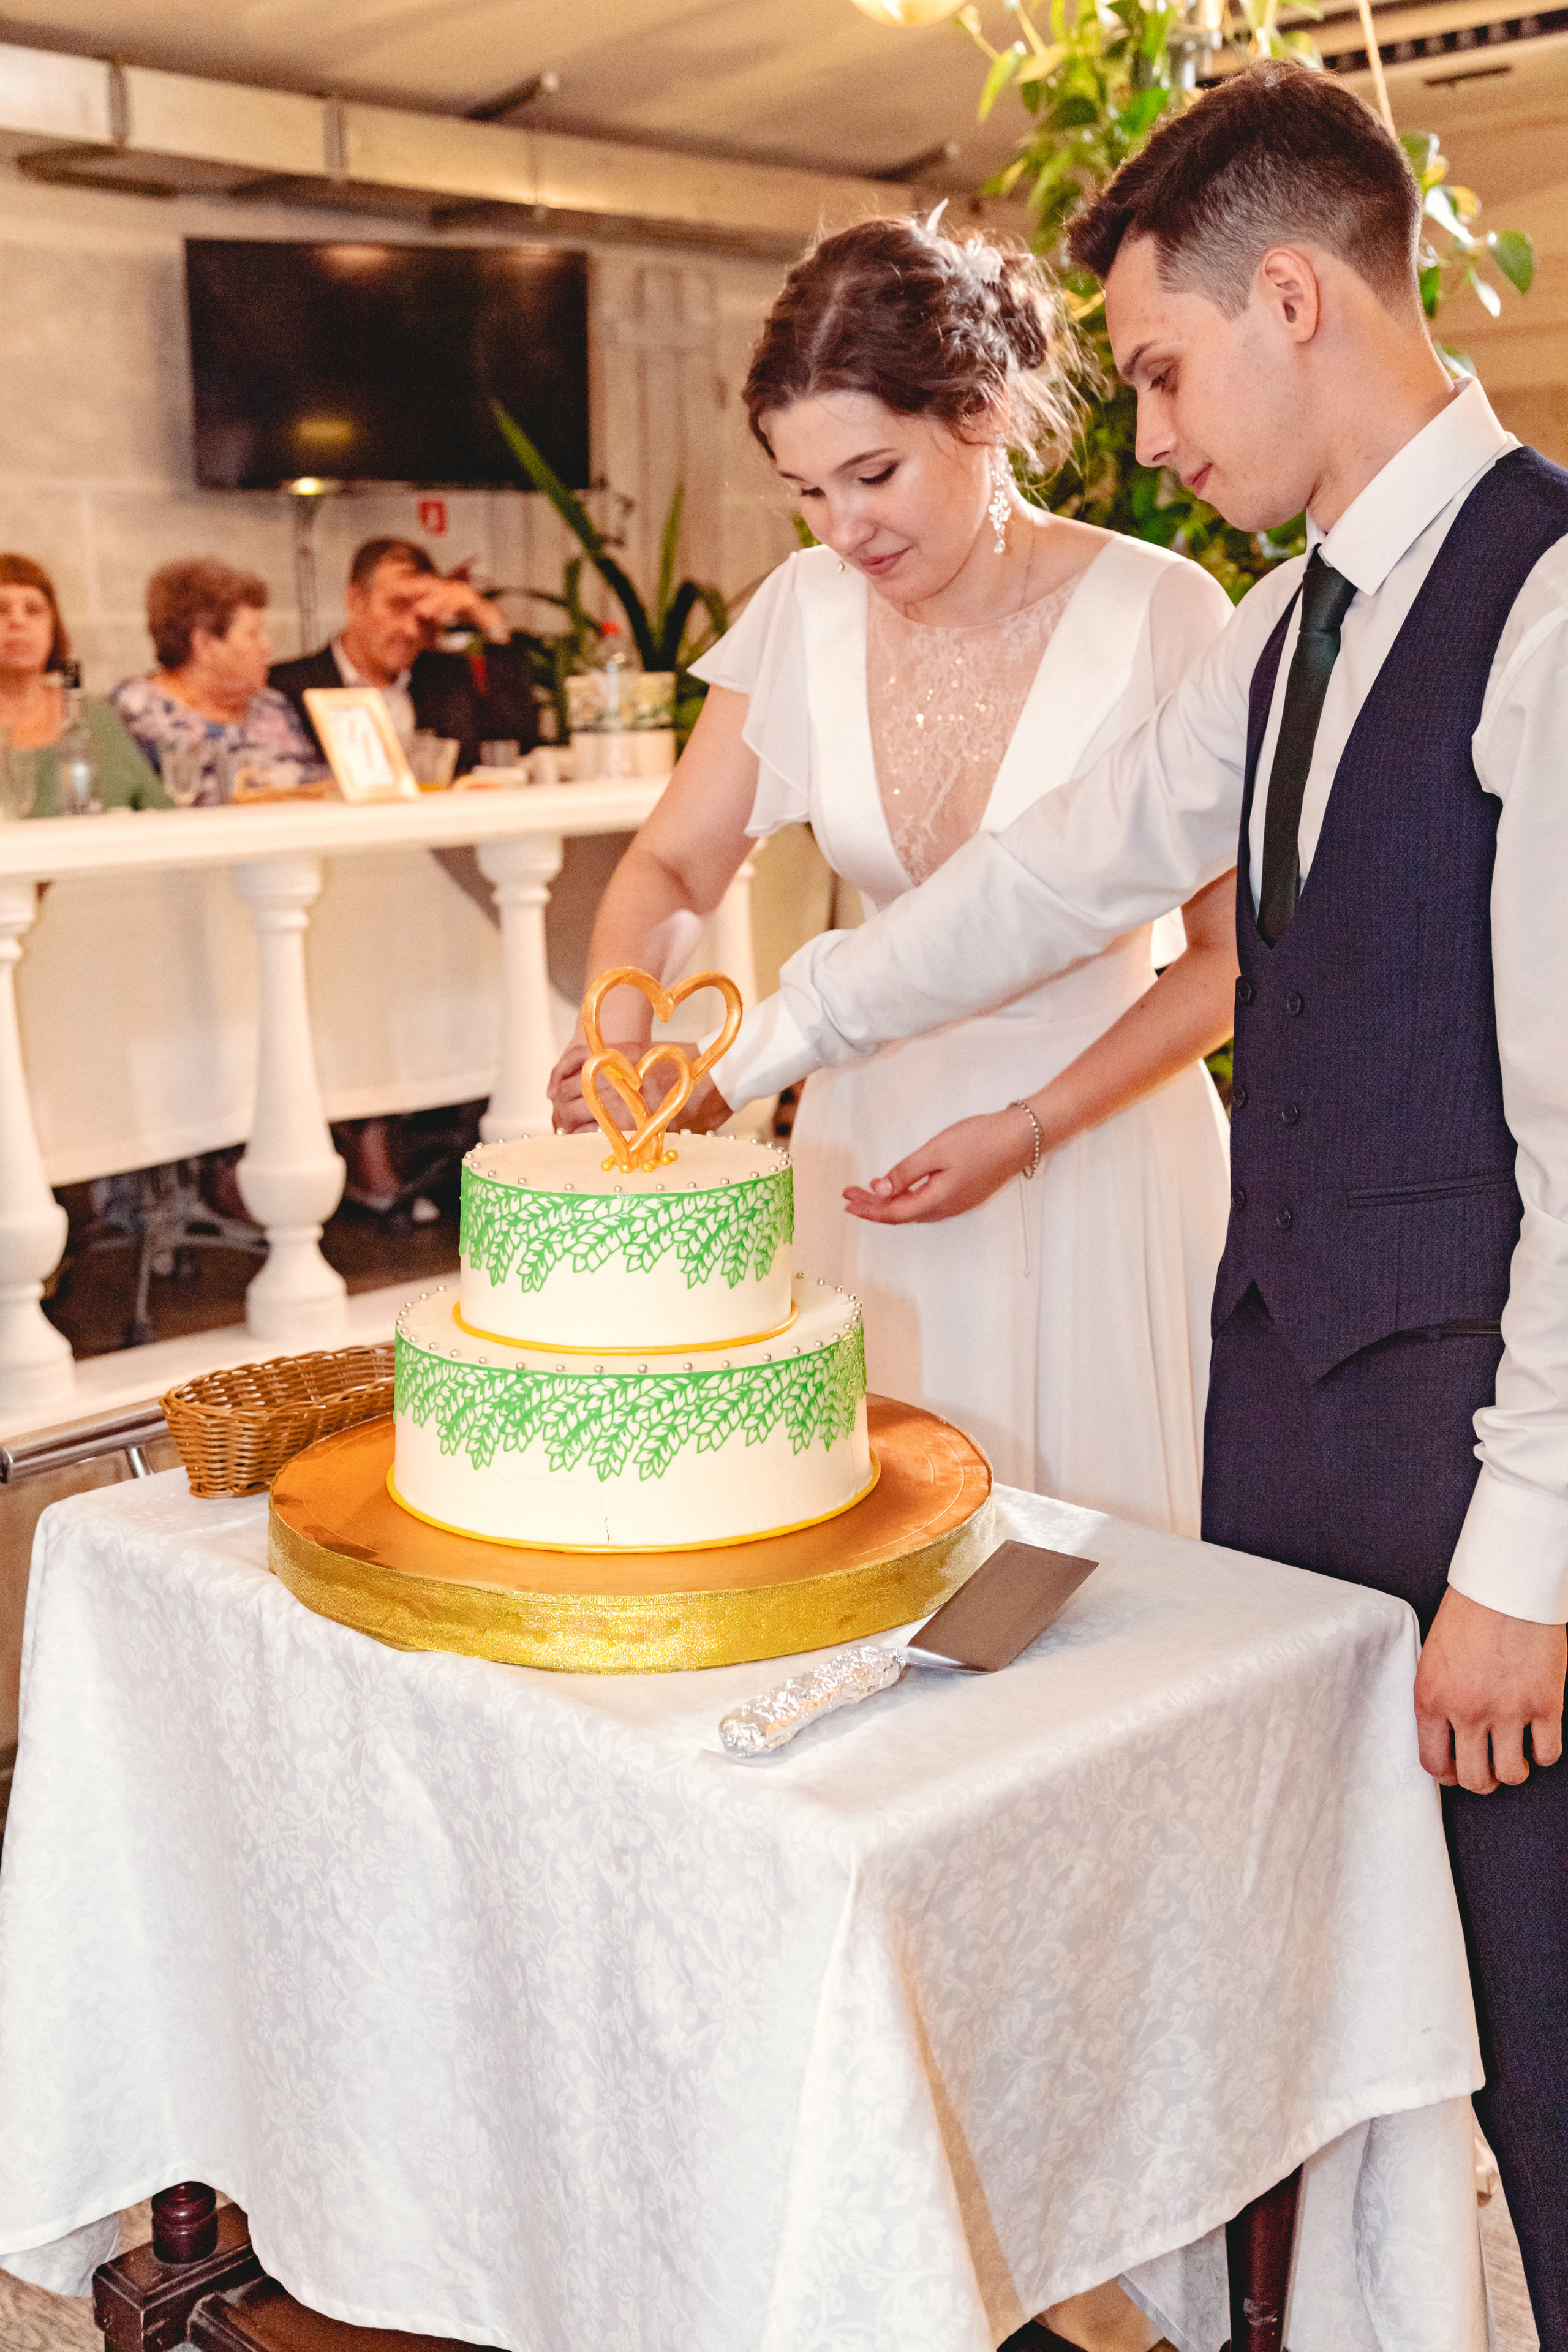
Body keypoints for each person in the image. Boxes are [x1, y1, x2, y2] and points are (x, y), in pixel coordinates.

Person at [696, 66, 1568, 2346]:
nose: (1148, 431)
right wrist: (766, 1036)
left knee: (1541, 2028)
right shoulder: (1285, 627)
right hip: (1285, 1412)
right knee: (1315, 1990)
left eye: (1163, 369)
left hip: (1474, 1463)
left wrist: (1525, 1557)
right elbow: (1052, 877)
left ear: (1291, 299)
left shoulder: (1545, 606)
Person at [549, 216, 1238, 1531]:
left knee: (1099, 1572)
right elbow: (673, 866)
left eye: (872, 473)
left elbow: (1223, 965)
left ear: (981, 414)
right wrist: (619, 1025)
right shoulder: (800, 612)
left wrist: (1029, 1128)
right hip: (863, 1150)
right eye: (806, 491)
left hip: (1094, 1153)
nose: (843, 529)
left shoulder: (1161, 613)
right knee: (869, 1545)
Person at [269, 537, 537, 774]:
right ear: (355, 601)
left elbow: (517, 742)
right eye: (398, 606)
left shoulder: (445, 679)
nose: (411, 630)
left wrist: (488, 618)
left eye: (423, 616)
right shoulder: (287, 690)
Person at [110, 558, 318, 803]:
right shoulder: (135, 710)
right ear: (205, 644)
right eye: (253, 634)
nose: (267, 646)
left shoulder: (272, 705)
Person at [0, 554, 165, 815]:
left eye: (33, 610)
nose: (18, 622)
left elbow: (159, 808)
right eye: (1, 610)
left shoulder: (93, 714)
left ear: (53, 629)